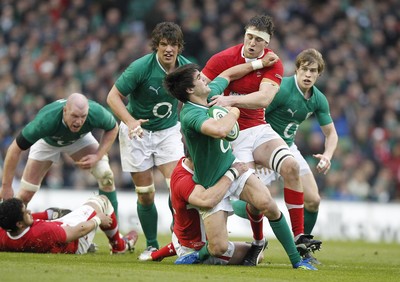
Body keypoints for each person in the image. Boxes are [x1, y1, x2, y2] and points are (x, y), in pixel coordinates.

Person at [164, 63, 316, 270]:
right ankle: (201, 254)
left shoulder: (210, 97)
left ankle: (297, 261)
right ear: (190, 90)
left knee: (269, 205)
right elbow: (219, 130)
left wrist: (258, 63)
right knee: (218, 248)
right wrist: (234, 111)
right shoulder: (190, 114)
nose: (205, 79)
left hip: (234, 168)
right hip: (211, 182)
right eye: (200, 78)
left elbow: (227, 74)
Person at [201, 14, 320, 251]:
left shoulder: (274, 62)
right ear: (244, 35)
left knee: (291, 166)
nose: (252, 43)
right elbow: (199, 89)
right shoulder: (222, 58)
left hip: (257, 129)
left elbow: (264, 98)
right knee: (257, 201)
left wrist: (229, 100)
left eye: (258, 40)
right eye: (249, 37)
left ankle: (299, 238)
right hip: (231, 136)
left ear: (267, 43)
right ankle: (258, 242)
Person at [232, 49, 338, 263]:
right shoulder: (281, 90)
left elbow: (331, 133)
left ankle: (301, 246)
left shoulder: (318, 99)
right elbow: (256, 117)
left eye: (313, 71)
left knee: (314, 200)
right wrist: (257, 154)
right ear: (297, 69)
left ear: (319, 75)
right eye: (305, 69)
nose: (308, 74)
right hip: (263, 146)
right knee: (256, 204)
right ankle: (237, 214)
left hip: (288, 149)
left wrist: (327, 155)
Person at [106, 22, 191, 253]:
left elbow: (197, 97)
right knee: (146, 194)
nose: (168, 49)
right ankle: (151, 245)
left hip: (167, 132)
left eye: (173, 45)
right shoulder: (140, 68)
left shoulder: (186, 70)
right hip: (137, 133)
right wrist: (130, 121)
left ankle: (179, 236)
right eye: (163, 44)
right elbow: (113, 97)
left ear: (179, 47)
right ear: (156, 46)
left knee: (178, 188)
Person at [0, 93, 120, 217]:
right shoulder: (46, 121)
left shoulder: (95, 112)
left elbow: (113, 128)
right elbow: (14, 149)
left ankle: (115, 235)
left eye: (83, 116)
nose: (78, 122)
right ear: (65, 110)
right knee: (25, 195)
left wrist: (98, 155)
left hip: (79, 139)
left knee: (106, 175)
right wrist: (6, 187)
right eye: (74, 116)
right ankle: (8, 231)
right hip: (47, 142)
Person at [0, 195, 138, 254]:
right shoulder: (43, 232)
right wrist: (98, 219)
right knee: (102, 200)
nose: (29, 211)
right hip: (76, 241)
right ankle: (119, 246)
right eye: (25, 212)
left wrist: (48, 215)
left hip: (57, 233)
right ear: (19, 224)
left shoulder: (4, 234)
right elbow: (78, 231)